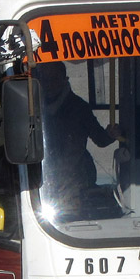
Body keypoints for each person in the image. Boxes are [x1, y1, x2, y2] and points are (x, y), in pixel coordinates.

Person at [34, 61, 122, 211]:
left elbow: (100, 139)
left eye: (53, 79)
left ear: (64, 79)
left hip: (74, 180)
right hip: (43, 175)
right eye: (45, 79)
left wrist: (111, 134)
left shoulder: (79, 108)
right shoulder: (33, 107)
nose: (49, 84)